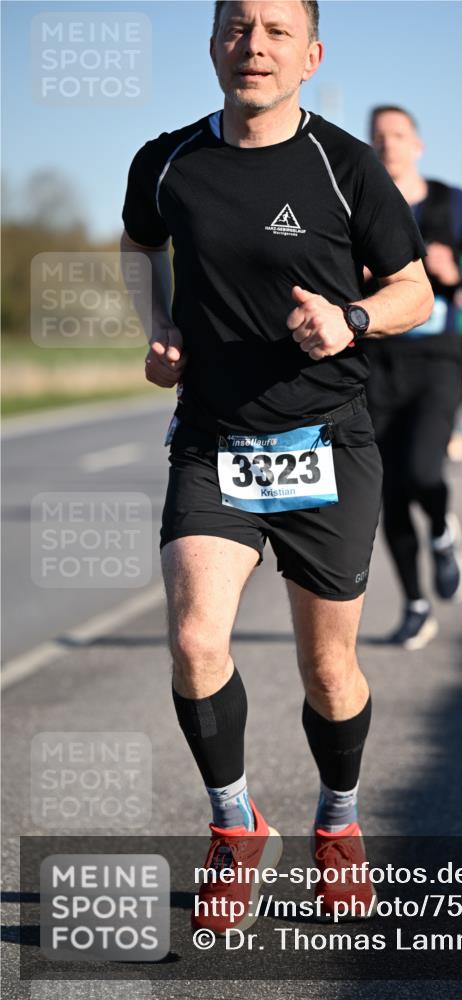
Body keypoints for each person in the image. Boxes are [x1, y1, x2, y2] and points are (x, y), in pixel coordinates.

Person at [120, 0, 432, 933]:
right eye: (236, 27)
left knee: (327, 666)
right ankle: (233, 824)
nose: (253, 46)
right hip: (214, 436)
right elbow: (141, 244)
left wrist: (353, 320)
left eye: (275, 30)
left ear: (310, 53)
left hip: (327, 439)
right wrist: (160, 326)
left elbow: (413, 287)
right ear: (213, 42)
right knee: (193, 639)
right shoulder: (168, 159)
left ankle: (337, 823)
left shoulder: (344, 167)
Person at [363, 105, 462, 649]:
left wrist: (460, 273)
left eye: (397, 135)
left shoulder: (451, 202)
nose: (388, 144)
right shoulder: (360, 203)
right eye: (378, 137)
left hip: (438, 360)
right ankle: (415, 605)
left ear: (417, 144)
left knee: (423, 468)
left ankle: (443, 531)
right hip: (376, 360)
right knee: (388, 491)